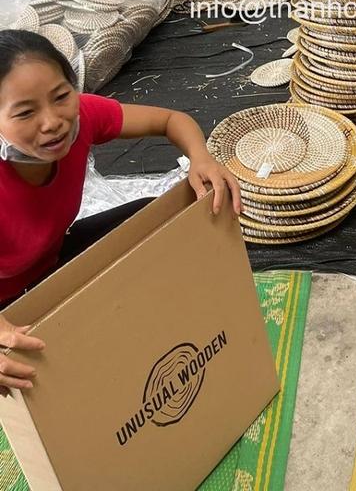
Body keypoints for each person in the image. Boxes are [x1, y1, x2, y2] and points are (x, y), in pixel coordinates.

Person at [0, 29, 242, 391]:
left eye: (61, 96)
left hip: (53, 264)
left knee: (157, 217)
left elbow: (170, 120)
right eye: (25, 112)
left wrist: (201, 158)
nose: (52, 122)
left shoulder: (82, 118)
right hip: (10, 313)